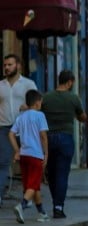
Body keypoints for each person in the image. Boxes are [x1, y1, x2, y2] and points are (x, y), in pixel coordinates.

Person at [40, 69, 88, 219]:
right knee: (62, 173)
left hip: (48, 139)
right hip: (65, 138)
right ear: (69, 82)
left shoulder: (46, 97)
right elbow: (83, 117)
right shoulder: (73, 98)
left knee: (52, 173)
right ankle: (58, 206)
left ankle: (56, 200)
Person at [0, 52, 40, 202]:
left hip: (24, 128)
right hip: (4, 128)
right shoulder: (0, 85)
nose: (7, 68)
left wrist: (29, 107)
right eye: (5, 65)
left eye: (10, 65)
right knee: (3, 161)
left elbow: (38, 104)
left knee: (28, 163)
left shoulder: (28, 84)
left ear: (18, 66)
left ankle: (27, 198)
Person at [9, 89, 49, 223]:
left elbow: (11, 134)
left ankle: (42, 212)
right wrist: (46, 153)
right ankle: (22, 205)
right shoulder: (40, 116)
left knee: (32, 184)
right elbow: (43, 136)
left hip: (24, 155)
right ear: (37, 103)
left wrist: (17, 150)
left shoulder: (21, 117)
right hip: (36, 155)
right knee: (34, 183)